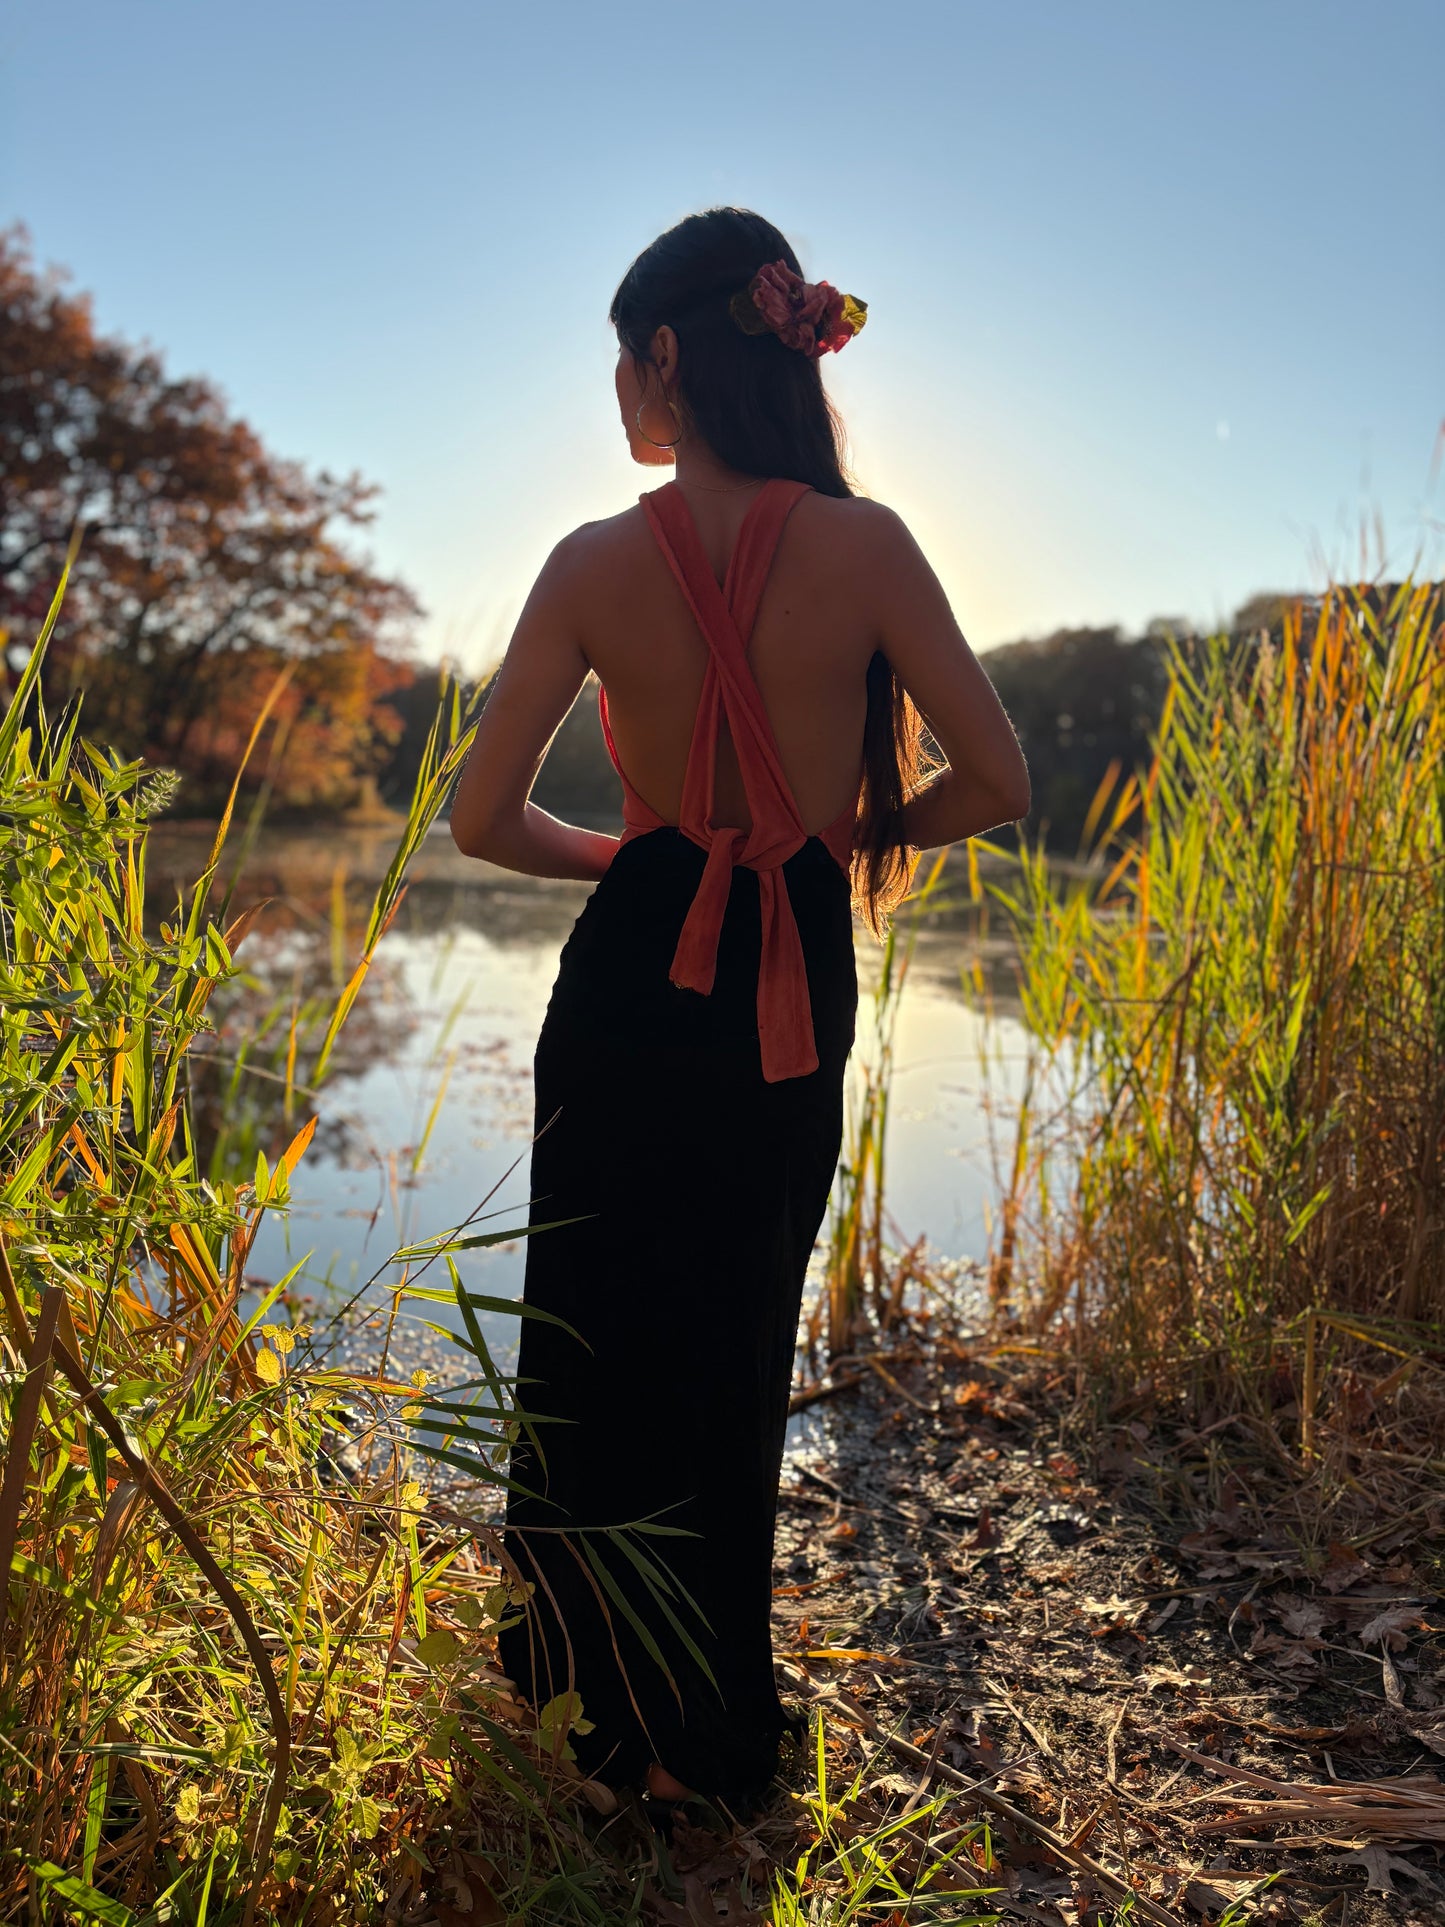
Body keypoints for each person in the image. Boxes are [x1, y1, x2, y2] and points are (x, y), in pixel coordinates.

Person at [449, 207, 1030, 1826]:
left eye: (619, 358)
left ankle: (582, 1711)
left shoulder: (588, 561)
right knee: (727, 1330)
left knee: (590, 1317)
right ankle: (705, 1729)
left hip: (635, 959)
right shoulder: (869, 545)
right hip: (787, 950)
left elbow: (479, 822)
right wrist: (850, 839)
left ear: (664, 352)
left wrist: (634, 861)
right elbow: (996, 780)